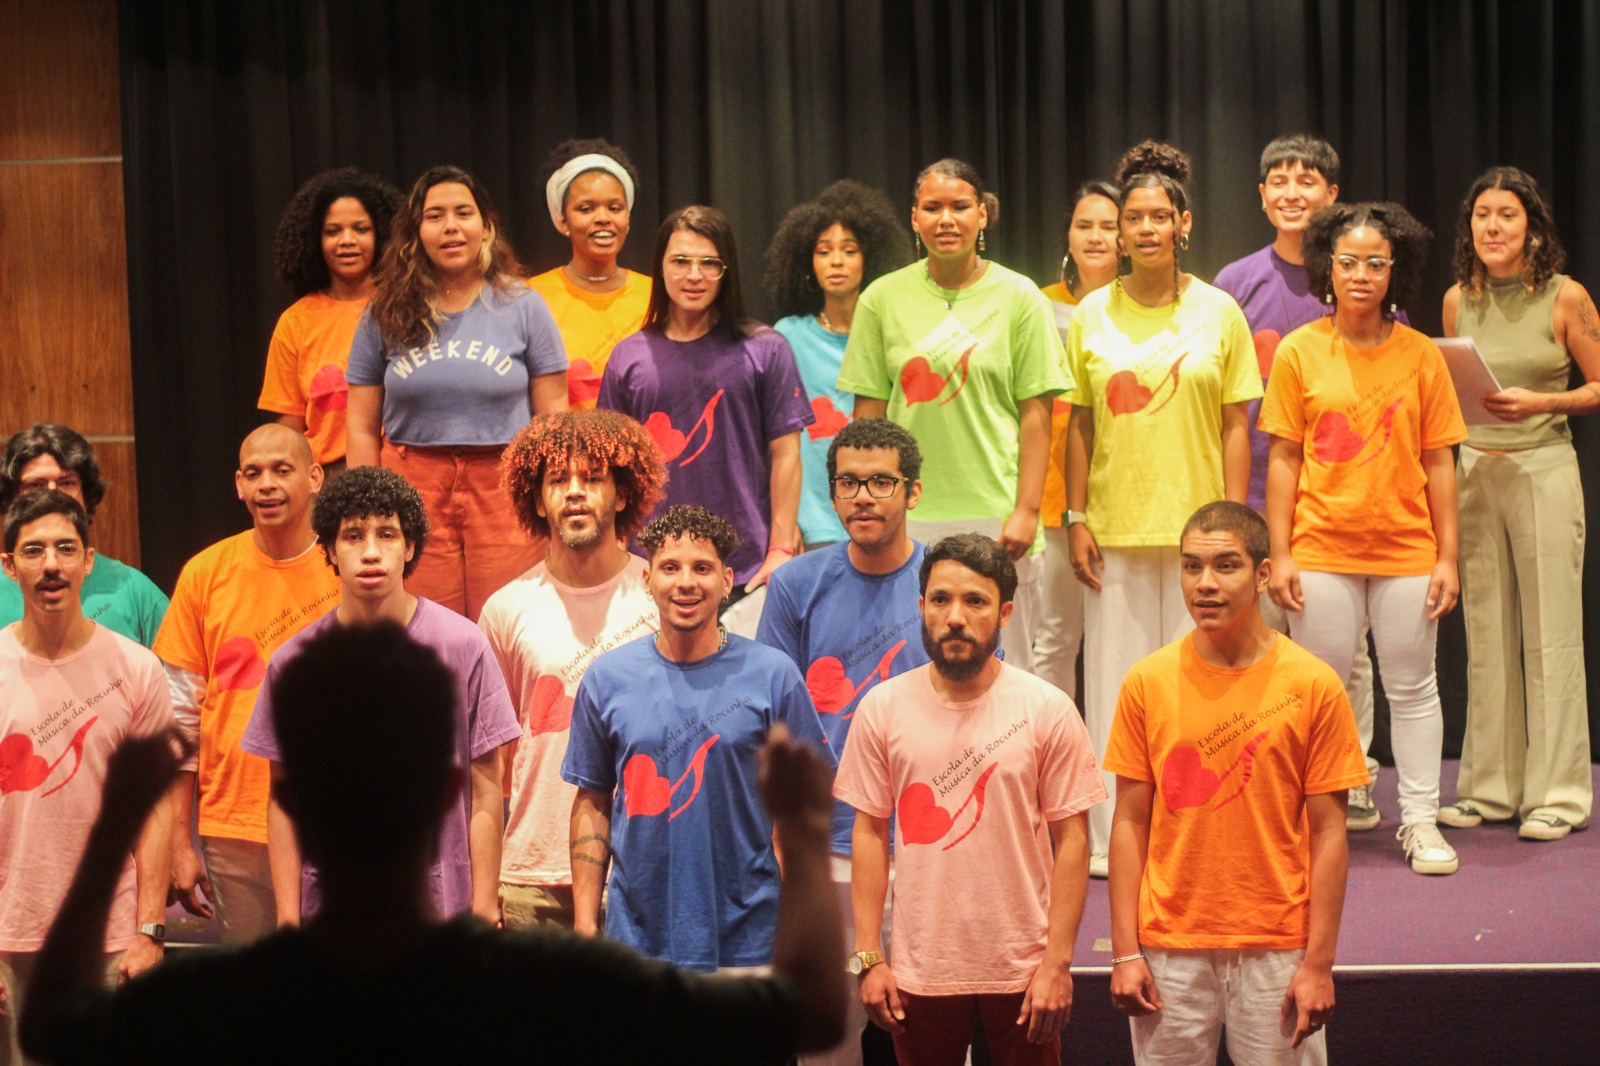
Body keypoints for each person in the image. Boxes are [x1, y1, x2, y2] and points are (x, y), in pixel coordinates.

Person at [18, 624, 848, 1065]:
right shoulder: (550, 987)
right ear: (451, 793)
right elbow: (809, 1013)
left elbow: (51, 1026)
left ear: (295, 800)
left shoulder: (229, 1001)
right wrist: (806, 835)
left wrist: (112, 834)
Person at [1105, 502, 1367, 1064]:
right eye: (1190, 566)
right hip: (1169, 949)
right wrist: (1125, 953)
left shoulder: (1314, 684)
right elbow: (1128, 821)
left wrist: (1318, 963)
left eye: (1226, 566)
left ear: (1264, 574)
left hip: (1278, 947)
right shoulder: (1146, 682)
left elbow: (1329, 835)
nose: (1205, 584)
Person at [834, 533, 1103, 1065]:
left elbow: (1073, 841)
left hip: (1024, 973)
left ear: (1003, 611)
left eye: (975, 601)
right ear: (921, 607)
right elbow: (868, 832)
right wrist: (868, 957)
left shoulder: (1046, 708)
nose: (955, 616)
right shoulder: (882, 708)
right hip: (921, 971)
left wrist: (1057, 963)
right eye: (940, 600)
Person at [1065, 141, 1259, 876]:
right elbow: (1078, 424)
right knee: (1116, 688)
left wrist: (1236, 526)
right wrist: (1077, 518)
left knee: (1201, 685)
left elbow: (1238, 421)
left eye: (1158, 217)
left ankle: (1199, 821)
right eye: (1131, 219)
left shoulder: (1220, 310)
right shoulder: (1089, 315)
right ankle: (1117, 832)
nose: (1144, 229)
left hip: (1200, 537)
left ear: (1183, 223)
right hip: (1113, 529)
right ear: (1116, 233)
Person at [1261, 202, 1467, 875]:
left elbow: (1441, 460)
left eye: (1375, 263)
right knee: (1317, 693)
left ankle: (1419, 822)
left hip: (1407, 551)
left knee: (1412, 689)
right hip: (1320, 549)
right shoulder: (1299, 351)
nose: (1360, 275)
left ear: (1394, 271)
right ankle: (1316, 820)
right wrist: (1281, 551)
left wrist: (1447, 557)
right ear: (1327, 267)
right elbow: (1285, 459)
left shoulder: (1420, 356)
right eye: (1348, 262)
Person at [241, 466, 519, 925]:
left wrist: (485, 905)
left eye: (387, 534)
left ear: (409, 546)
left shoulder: (463, 645)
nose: (371, 552)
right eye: (353, 536)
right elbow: (284, 799)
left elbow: (487, 786)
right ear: (330, 548)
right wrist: (289, 918)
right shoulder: (294, 662)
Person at [562, 505, 833, 974]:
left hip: (753, 943)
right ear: (647, 579)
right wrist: (585, 924)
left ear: (728, 580)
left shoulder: (774, 676)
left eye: (702, 568)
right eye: (670, 568)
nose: (686, 582)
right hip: (636, 943)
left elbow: (804, 808)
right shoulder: (606, 679)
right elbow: (592, 801)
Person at [1212, 135, 1387, 833]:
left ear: (1331, 195)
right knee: (1257, 644)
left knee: (1347, 652)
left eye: (1306, 180)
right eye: (1277, 181)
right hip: (1254, 489)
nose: (1292, 192)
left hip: (1341, 501)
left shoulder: (1360, 277)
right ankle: (1266, 772)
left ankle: (1358, 776)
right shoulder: (1234, 281)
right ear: (1260, 196)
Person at [838, 158, 1068, 674]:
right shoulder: (881, 299)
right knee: (911, 669)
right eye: (933, 207)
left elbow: (1038, 414)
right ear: (914, 218)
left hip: (999, 513)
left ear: (983, 216)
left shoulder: (1020, 297)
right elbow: (867, 423)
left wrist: (1027, 509)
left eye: (961, 206)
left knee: (1007, 673)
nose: (947, 219)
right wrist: (871, 503)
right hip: (907, 515)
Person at [756, 416, 929, 1066]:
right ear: (831, 495)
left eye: (881, 482)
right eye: (849, 483)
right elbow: (769, 717)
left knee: (933, 1039)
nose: (863, 496)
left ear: (912, 492)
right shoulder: (797, 585)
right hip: (826, 845)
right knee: (827, 1043)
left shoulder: (947, 581)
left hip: (928, 846)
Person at [1439, 167, 1599, 841]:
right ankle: (1489, 788)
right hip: (1476, 470)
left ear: (1532, 225)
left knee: (1551, 634)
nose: (1493, 227)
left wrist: (1542, 402)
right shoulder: (1456, 299)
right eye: (1482, 215)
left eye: (1507, 215)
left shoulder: (1566, 298)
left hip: (1543, 467)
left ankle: (1558, 794)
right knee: (1487, 632)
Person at [346, 164, 570, 621]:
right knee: (420, 623)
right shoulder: (382, 311)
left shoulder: (524, 306)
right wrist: (367, 505)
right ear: (416, 231)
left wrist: (552, 493)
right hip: (411, 484)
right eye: (435, 215)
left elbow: (554, 419)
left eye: (463, 213)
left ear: (485, 227)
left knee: (510, 620)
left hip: (506, 487)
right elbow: (361, 425)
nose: (450, 226)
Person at [0, 491, 174, 1066]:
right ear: (9, 565)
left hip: (113, 932)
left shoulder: (136, 668)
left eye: (65, 549)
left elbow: (154, 808)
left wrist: (150, 928)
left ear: (88, 560)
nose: (51, 563)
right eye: (34, 550)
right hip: (14, 933)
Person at [478, 409, 666, 929]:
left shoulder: (662, 595)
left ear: (623, 494)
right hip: (530, 874)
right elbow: (485, 764)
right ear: (538, 500)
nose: (576, 491)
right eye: (559, 480)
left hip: (642, 870)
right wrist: (484, 882)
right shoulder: (505, 609)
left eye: (593, 478)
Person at [152, 424, 340, 943]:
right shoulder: (204, 573)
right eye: (253, 473)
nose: (266, 485)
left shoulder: (351, 568)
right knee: (258, 1004)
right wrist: (177, 841)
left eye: (282, 470)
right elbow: (178, 721)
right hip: (233, 825)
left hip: (339, 821)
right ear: (238, 485)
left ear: (314, 476)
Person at [599, 206, 814, 624]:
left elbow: (786, 453)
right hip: (650, 570)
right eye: (680, 261)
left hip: (747, 570)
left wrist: (781, 549)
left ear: (726, 270)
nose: (693, 275)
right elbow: (610, 467)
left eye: (708, 263)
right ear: (660, 267)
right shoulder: (628, 357)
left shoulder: (767, 349)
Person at [764, 180, 914, 549]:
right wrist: (785, 523)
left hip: (883, 514)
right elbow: (777, 440)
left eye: (849, 250)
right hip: (812, 521)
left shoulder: (893, 333)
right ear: (807, 261)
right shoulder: (787, 337)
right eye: (823, 251)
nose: (836, 261)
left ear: (870, 258)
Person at [1034, 180, 1120, 701]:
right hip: (1051, 501)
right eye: (1084, 226)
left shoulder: (1141, 306)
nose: (1095, 237)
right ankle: (1053, 760)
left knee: (1117, 641)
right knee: (1056, 639)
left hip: (1118, 495)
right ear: (1068, 235)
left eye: (1108, 227)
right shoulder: (1038, 305)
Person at [257, 167, 404, 470]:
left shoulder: (406, 309)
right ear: (314, 240)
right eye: (333, 231)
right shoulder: (295, 322)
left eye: (361, 229)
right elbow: (289, 430)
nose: (347, 240)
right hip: (325, 478)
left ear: (383, 235)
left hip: (401, 469)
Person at [0, 425, 167, 647]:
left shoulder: (136, 591)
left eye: (66, 483)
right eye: (36, 485)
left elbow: (173, 680)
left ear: (86, 496)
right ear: (12, 498)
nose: (52, 494)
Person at [528, 139, 653, 408]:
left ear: (627, 219)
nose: (603, 217)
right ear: (562, 221)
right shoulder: (531, 297)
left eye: (615, 208)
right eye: (586, 208)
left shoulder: (657, 295)